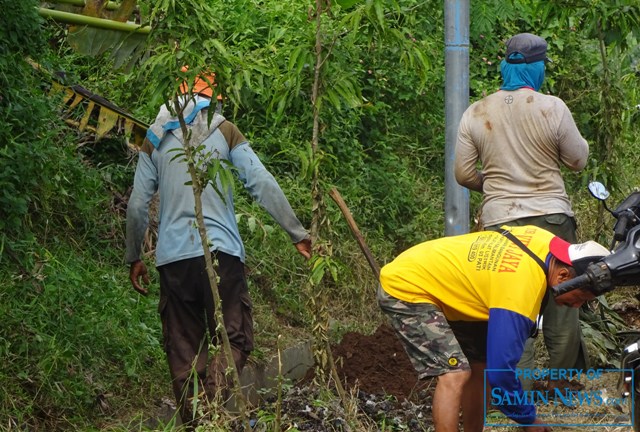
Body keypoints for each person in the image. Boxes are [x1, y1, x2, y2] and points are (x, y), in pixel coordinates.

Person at [125, 72, 312, 426]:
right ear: (212, 99)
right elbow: (260, 181)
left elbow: (137, 206)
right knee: (235, 339)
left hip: (173, 262)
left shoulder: (155, 137)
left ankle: (198, 421)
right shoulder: (224, 129)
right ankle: (214, 398)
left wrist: (134, 256)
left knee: (183, 353)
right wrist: (296, 232)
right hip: (221, 254)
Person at [377, 225, 610, 432]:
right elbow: (502, 374)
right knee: (455, 373)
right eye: (580, 297)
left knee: (481, 368)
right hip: (407, 287)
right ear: (562, 275)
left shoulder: (545, 241)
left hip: (454, 287)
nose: (577, 305)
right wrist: (529, 420)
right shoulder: (520, 291)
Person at [454, 32, 590, 381]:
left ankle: (519, 388)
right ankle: (562, 386)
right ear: (538, 67)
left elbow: (464, 173)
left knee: (511, 305)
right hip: (552, 219)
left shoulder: (476, 112)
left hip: (502, 226)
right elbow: (577, 160)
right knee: (563, 300)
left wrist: (497, 184)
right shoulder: (552, 107)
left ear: (505, 65)